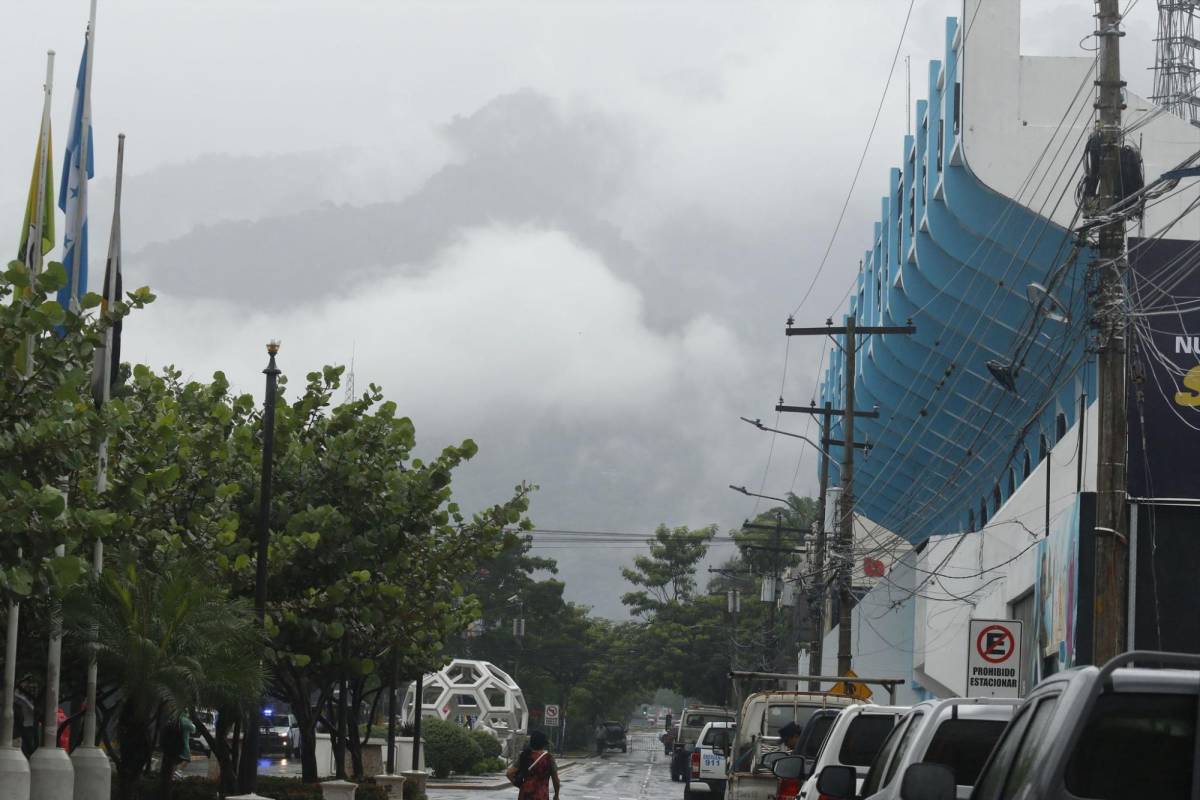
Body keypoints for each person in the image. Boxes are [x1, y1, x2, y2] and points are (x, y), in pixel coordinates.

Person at [512, 731, 560, 800]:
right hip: (541, 796)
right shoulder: (548, 758)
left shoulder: (525, 756)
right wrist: (556, 795)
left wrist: (521, 786)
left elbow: (509, 773)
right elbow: (556, 780)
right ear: (543, 744)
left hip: (525, 795)